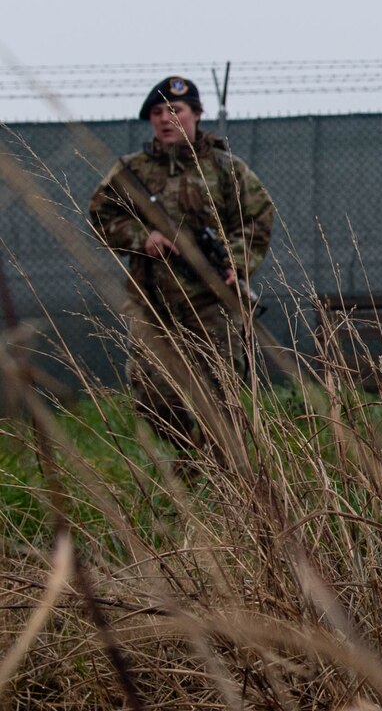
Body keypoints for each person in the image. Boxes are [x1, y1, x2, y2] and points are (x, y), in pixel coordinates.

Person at [87, 75, 275, 455]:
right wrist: (144, 239)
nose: (166, 119)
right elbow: (100, 216)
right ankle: (192, 457)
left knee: (222, 401)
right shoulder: (131, 172)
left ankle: (223, 483)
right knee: (153, 400)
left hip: (212, 303)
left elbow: (257, 218)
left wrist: (235, 262)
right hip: (152, 304)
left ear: (197, 113)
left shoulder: (226, 169)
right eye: (157, 112)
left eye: (176, 110)